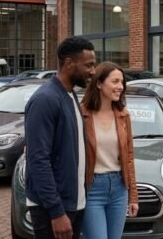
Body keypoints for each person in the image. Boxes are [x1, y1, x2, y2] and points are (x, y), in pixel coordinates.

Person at [25, 36, 96, 239]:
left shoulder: (70, 95)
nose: (93, 71)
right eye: (88, 65)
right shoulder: (45, 99)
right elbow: (38, 160)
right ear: (68, 63)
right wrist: (56, 211)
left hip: (73, 203)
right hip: (53, 210)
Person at [80, 62, 138, 239]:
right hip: (92, 188)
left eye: (122, 82)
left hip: (119, 189)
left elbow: (129, 157)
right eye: (115, 82)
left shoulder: (123, 115)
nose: (120, 87)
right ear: (99, 83)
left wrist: (133, 196)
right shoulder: (81, 113)